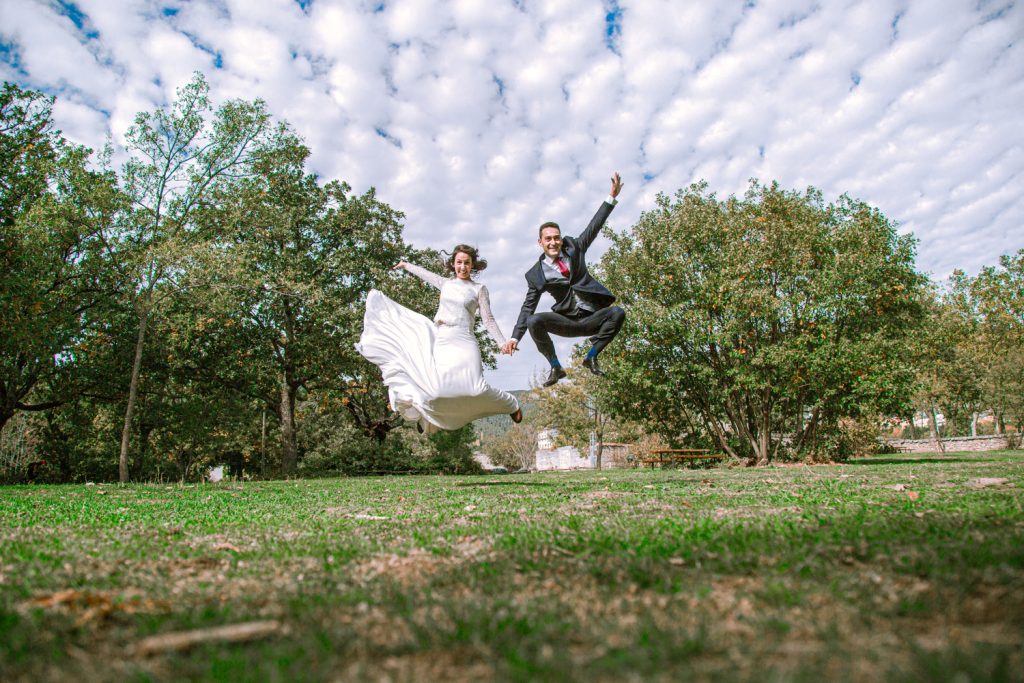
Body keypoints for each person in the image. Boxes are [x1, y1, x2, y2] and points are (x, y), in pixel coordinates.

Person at [357, 245, 522, 434]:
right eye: (459, 262)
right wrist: (406, 265)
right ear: (453, 264)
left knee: (476, 389)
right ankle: (426, 416)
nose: (463, 267)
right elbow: (425, 274)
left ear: (472, 265)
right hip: (443, 340)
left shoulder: (479, 289)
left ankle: (511, 403)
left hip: (465, 340)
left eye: (467, 263)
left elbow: (488, 319)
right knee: (436, 392)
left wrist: (502, 343)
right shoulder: (446, 284)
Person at [501, 172, 626, 387]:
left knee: (617, 312)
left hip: (592, 319)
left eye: (556, 237)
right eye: (548, 239)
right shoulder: (536, 274)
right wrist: (514, 338)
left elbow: (594, 227)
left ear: (561, 239)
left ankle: (592, 356)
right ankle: (556, 367)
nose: (553, 242)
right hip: (567, 322)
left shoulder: (575, 248)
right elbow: (528, 307)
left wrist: (611, 198)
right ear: (540, 242)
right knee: (534, 320)